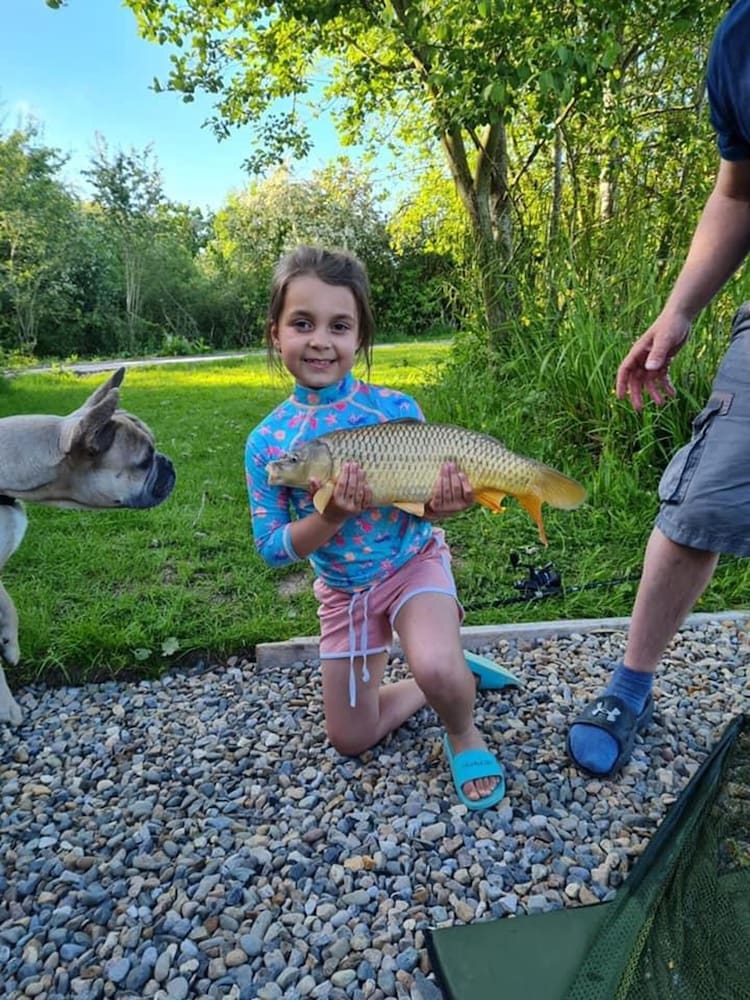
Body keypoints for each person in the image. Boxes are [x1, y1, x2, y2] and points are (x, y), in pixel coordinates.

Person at [245, 245, 509, 810]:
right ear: (275, 334)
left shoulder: (395, 411)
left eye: (339, 326)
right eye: (302, 323)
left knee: (435, 662)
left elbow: (426, 509)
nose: (320, 340)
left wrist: (448, 505)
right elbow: (272, 549)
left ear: (359, 338)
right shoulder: (268, 443)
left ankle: (461, 727)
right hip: (345, 591)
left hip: (412, 564)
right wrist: (332, 515)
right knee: (350, 737)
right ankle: (446, 681)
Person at [567, 0, 750, 777]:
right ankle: (630, 685)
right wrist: (677, 313)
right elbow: (739, 193)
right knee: (700, 501)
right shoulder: (739, 40)